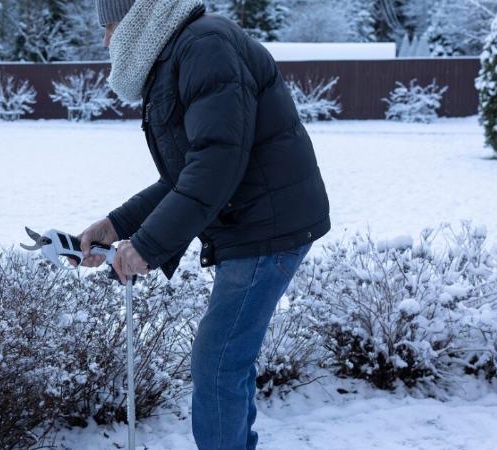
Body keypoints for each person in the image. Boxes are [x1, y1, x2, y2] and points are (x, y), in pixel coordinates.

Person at [76, 0, 331, 448]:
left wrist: (149, 245)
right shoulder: (180, 52)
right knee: (228, 356)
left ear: (136, 21)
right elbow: (186, 174)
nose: (105, 40)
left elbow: (215, 165)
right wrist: (116, 225)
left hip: (265, 225)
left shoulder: (203, 48)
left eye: (110, 25)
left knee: (217, 360)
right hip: (255, 219)